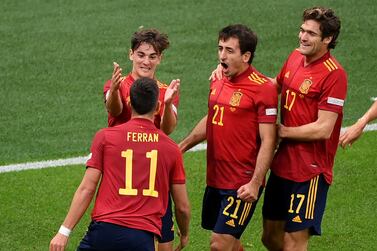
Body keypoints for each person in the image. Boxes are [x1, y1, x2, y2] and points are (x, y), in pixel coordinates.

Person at [50, 78, 190, 251]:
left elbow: (87, 188)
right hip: (142, 238)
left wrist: (64, 232)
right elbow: (182, 207)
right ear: (157, 108)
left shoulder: (105, 137)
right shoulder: (171, 149)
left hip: (103, 233)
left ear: (130, 104)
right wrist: (184, 234)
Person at [179, 24, 278, 251]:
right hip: (215, 177)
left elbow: (269, 139)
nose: (222, 55)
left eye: (229, 51)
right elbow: (214, 117)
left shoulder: (263, 89)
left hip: (241, 181)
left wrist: (255, 183)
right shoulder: (218, 79)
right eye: (220, 48)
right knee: (230, 243)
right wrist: (182, 146)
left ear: (246, 55)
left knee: (219, 244)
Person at [261, 7, 347, 251]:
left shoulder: (334, 75)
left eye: (311, 33)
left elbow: (323, 129)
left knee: (294, 242)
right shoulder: (295, 57)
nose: (303, 37)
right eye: (302, 30)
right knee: (269, 237)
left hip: (310, 172)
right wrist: (237, 77)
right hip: (282, 165)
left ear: (327, 39)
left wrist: (282, 132)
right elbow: (274, 86)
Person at [104, 28, 180, 251]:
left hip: (154, 179)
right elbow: (115, 110)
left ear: (160, 59)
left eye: (152, 56)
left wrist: (166, 104)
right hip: (122, 179)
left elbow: (167, 130)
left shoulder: (167, 90)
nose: (146, 61)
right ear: (131, 55)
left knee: (165, 245)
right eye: (141, 55)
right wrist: (116, 89)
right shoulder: (116, 84)